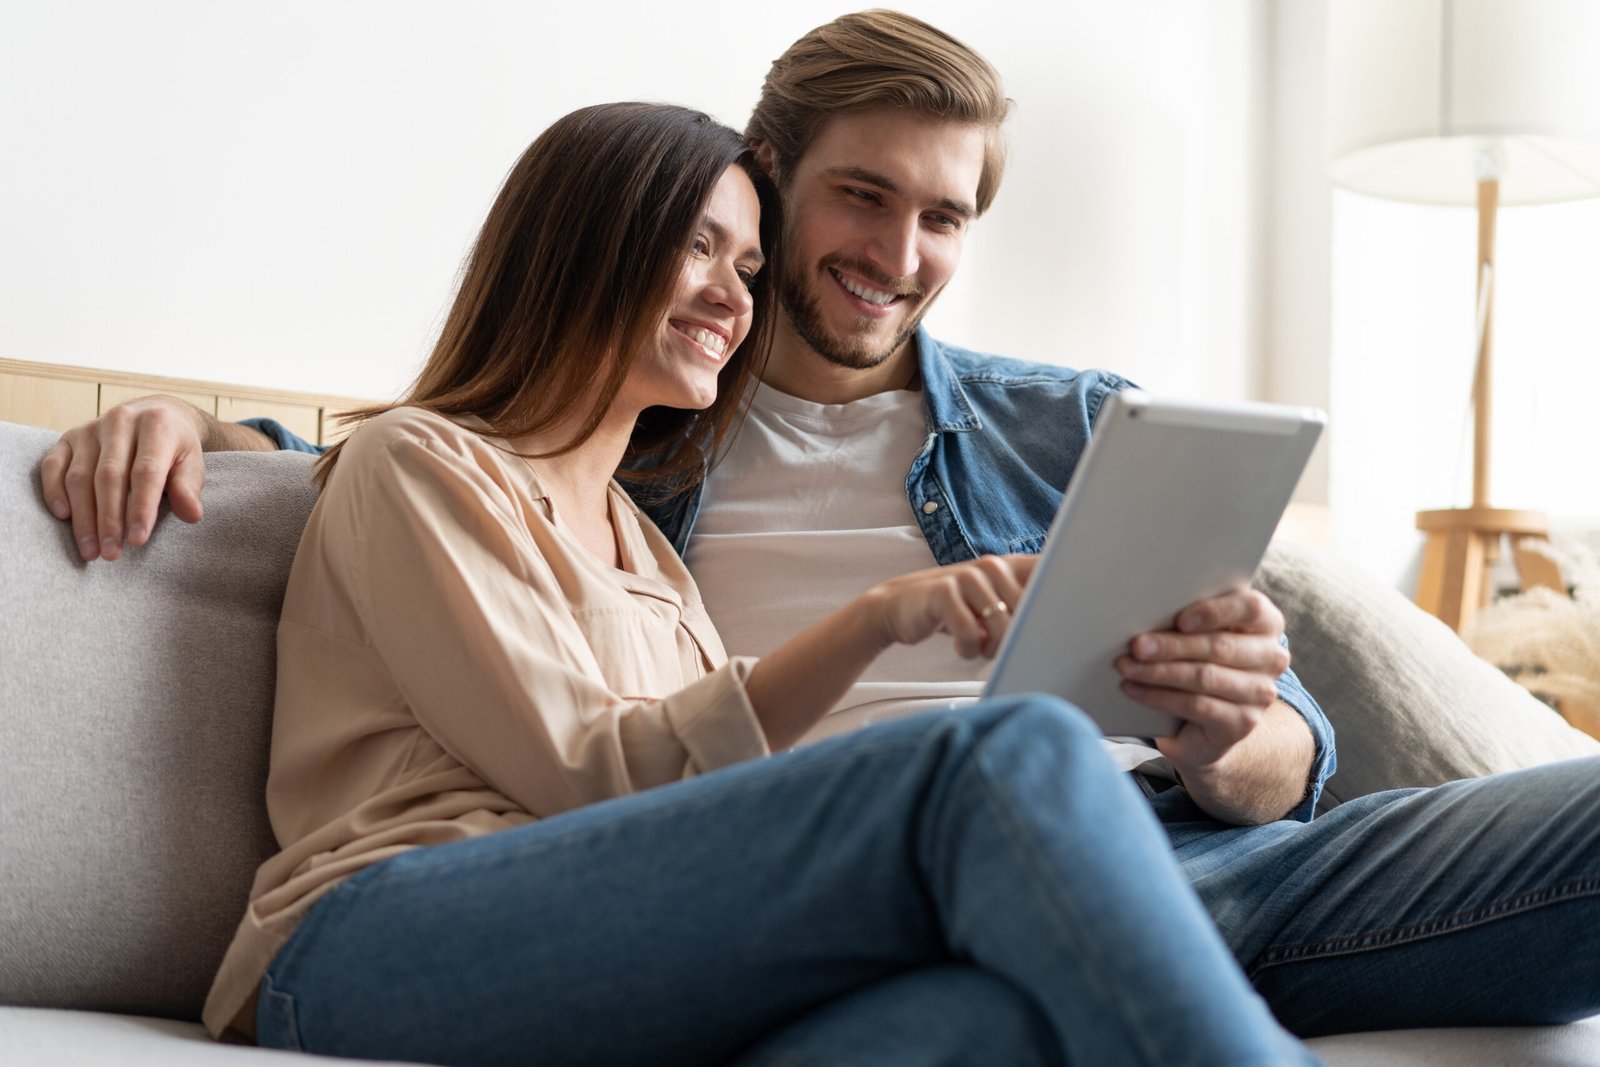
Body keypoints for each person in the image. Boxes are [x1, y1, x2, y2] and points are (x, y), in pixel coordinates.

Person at [41, 6, 1600, 1049]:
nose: (900, 251)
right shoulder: (601, 464)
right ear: (768, 184)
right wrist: (183, 425)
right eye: (858, 200)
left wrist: (1233, 723)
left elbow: (1291, 768)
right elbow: (432, 484)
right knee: (1011, 760)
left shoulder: (1054, 427)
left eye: (946, 217)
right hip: (761, 878)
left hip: (1168, 853)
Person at [195, 99, 1321, 1067]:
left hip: (601, 925)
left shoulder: (646, 544)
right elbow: (601, 770)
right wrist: (877, 620)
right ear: (583, 247)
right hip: (369, 934)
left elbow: (711, 805)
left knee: (982, 1016)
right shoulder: (420, 464)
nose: (733, 298)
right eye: (696, 247)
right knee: (1011, 747)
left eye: (745, 266)